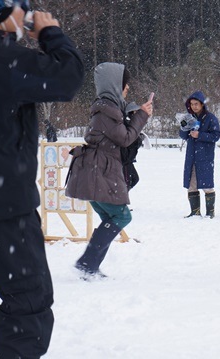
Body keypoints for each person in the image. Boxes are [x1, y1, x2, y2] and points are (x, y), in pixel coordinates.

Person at [0, 1, 85, 357]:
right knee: (28, 304)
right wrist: (49, 33)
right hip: (5, 213)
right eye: (22, 7)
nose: (27, 14)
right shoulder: (2, 59)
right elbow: (69, 75)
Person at [65, 62, 152, 279]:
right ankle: (87, 264)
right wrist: (141, 116)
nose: (128, 89)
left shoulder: (108, 107)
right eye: (125, 85)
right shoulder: (106, 110)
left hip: (97, 172)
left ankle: (90, 266)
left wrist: (137, 112)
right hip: (98, 173)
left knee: (111, 218)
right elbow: (125, 137)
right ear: (115, 85)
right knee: (121, 217)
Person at [179, 90, 220, 218]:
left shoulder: (211, 118)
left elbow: (216, 135)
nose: (194, 106)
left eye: (196, 104)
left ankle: (210, 212)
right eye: (192, 104)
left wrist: (200, 135)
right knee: (191, 184)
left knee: (207, 184)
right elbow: (183, 136)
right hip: (191, 155)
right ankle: (195, 212)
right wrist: (183, 128)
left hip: (205, 156)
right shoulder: (189, 118)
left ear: (202, 104)